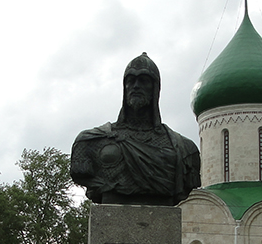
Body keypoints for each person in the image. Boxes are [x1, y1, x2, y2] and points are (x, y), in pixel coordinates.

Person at [70, 52, 201, 206]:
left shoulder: (185, 149)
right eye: (131, 81)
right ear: (124, 88)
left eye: (144, 80)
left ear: (155, 89)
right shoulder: (90, 141)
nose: (136, 86)